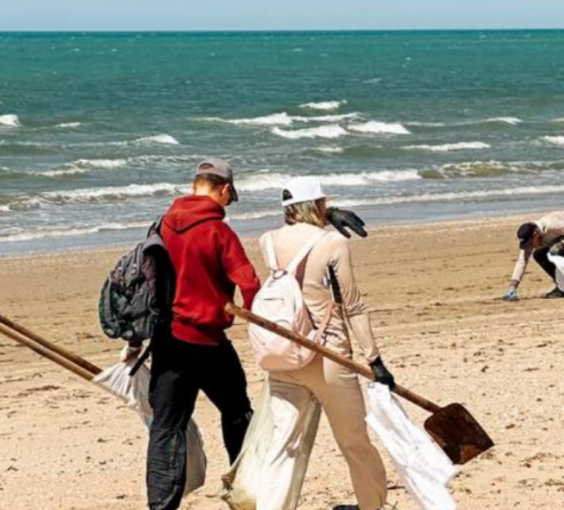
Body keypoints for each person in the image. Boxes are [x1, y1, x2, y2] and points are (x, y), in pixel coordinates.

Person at [255, 176, 395, 510]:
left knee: (282, 445)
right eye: (323, 203)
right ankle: (371, 506)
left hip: (284, 355)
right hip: (328, 357)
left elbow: (298, 239)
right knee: (354, 442)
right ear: (316, 205)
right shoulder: (333, 242)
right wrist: (374, 360)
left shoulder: (267, 241)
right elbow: (353, 306)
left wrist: (323, 214)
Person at [138, 158, 261, 510]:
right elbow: (249, 283)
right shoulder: (219, 232)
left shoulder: (162, 224)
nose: (228, 203)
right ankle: (245, 491)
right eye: (230, 197)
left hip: (167, 340)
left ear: (194, 187)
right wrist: (260, 322)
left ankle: (161, 505)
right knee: (238, 411)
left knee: (166, 426)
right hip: (208, 342)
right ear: (224, 190)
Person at [502, 210, 564, 300]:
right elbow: (522, 262)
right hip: (560, 235)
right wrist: (513, 286)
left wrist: (560, 245)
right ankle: (562, 285)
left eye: (530, 243)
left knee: (560, 253)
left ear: (535, 234)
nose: (530, 246)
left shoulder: (551, 226)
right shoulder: (533, 237)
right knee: (539, 255)